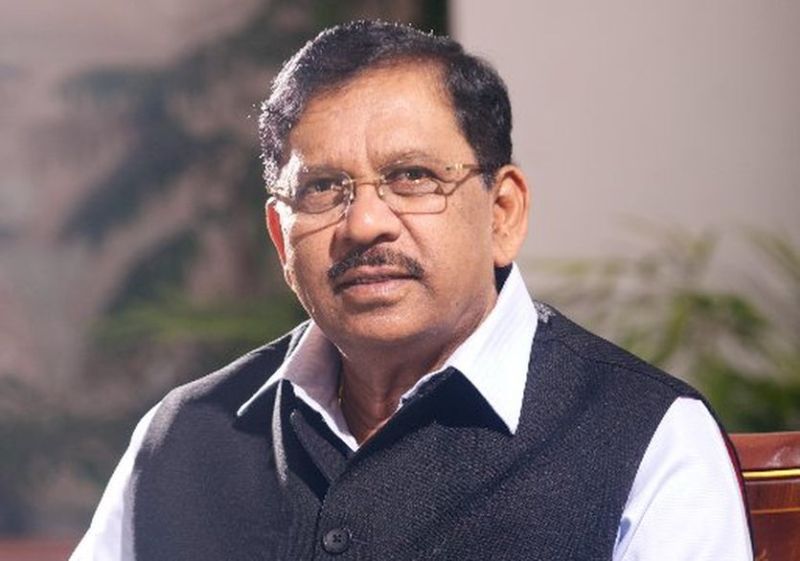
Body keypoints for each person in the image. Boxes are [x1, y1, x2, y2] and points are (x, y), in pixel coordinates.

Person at [71, 20, 753, 561]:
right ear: (281, 237)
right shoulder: (186, 436)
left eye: (413, 176)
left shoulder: (646, 436)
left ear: (502, 213)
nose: (365, 223)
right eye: (323, 187)